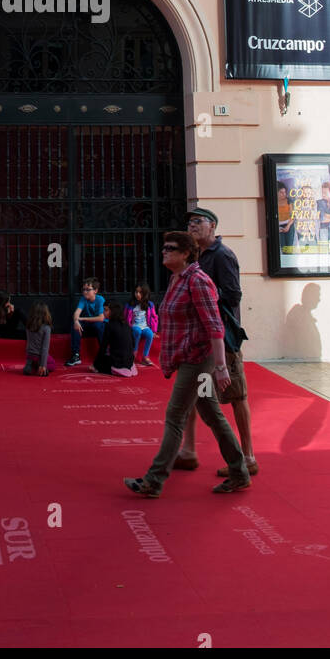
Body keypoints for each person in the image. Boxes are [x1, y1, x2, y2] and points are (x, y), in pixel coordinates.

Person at [123, 231, 249, 498]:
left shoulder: (198, 281)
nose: (164, 251)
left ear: (186, 254)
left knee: (174, 417)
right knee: (212, 415)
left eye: (170, 248)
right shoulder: (178, 279)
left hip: (197, 361)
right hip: (189, 358)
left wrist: (221, 367)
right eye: (164, 247)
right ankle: (239, 472)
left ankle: (153, 481)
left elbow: (214, 326)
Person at [175, 208, 258, 477]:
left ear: (212, 225)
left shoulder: (222, 255)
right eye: (189, 222)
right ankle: (188, 449)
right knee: (193, 394)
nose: (192, 226)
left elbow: (233, 296)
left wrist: (204, 293)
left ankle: (248, 456)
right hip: (197, 336)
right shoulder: (193, 256)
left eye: (197, 221)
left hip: (223, 336)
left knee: (236, 395)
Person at [66, 278, 106, 367]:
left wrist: (82, 319)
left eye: (88, 289)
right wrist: (76, 321)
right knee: (75, 325)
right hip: (89, 322)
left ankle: (105, 353)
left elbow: (101, 318)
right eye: (83, 289)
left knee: (99, 325)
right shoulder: (83, 299)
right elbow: (76, 313)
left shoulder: (100, 300)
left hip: (98, 323)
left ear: (95, 290)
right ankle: (76, 355)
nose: (85, 292)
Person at [93, 301, 137, 377]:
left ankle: (116, 369)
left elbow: (103, 347)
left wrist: (95, 364)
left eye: (106, 310)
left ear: (113, 311)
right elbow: (133, 343)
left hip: (118, 361)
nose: (103, 312)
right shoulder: (126, 324)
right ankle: (129, 367)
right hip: (129, 360)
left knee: (101, 363)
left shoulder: (109, 326)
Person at [126, 284, 158, 366]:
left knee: (150, 334)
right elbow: (125, 317)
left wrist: (154, 330)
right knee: (137, 330)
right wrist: (126, 327)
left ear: (145, 293)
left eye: (140, 292)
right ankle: (134, 352)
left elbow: (154, 317)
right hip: (134, 326)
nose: (138, 294)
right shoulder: (130, 304)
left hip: (145, 326)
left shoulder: (150, 305)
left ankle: (145, 356)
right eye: (136, 292)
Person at [24, 303, 56, 376]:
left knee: (34, 358)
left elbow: (29, 342)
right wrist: (43, 365)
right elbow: (45, 348)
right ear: (46, 314)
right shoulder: (46, 328)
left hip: (29, 354)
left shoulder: (28, 326)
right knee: (53, 364)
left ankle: (29, 365)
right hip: (39, 355)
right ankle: (39, 368)